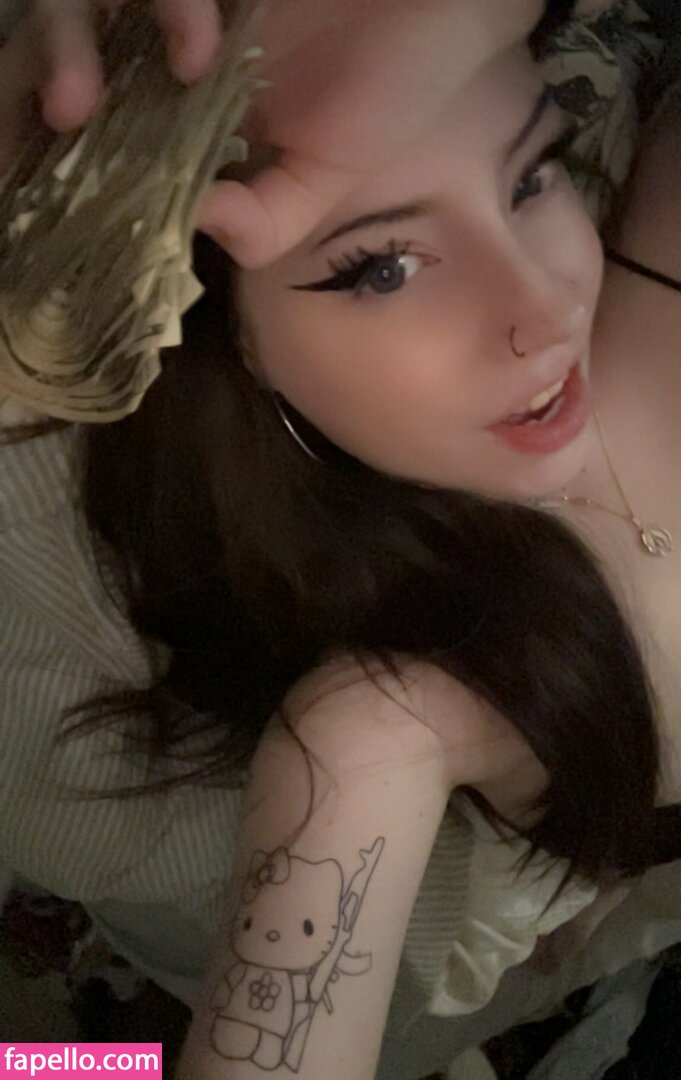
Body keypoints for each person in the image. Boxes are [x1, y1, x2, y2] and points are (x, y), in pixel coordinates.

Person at [0, 1, 679, 1077]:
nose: (544, 309)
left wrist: (465, 15)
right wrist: (367, 747)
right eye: (385, 268)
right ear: (234, 338)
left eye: (529, 177)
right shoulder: (363, 714)